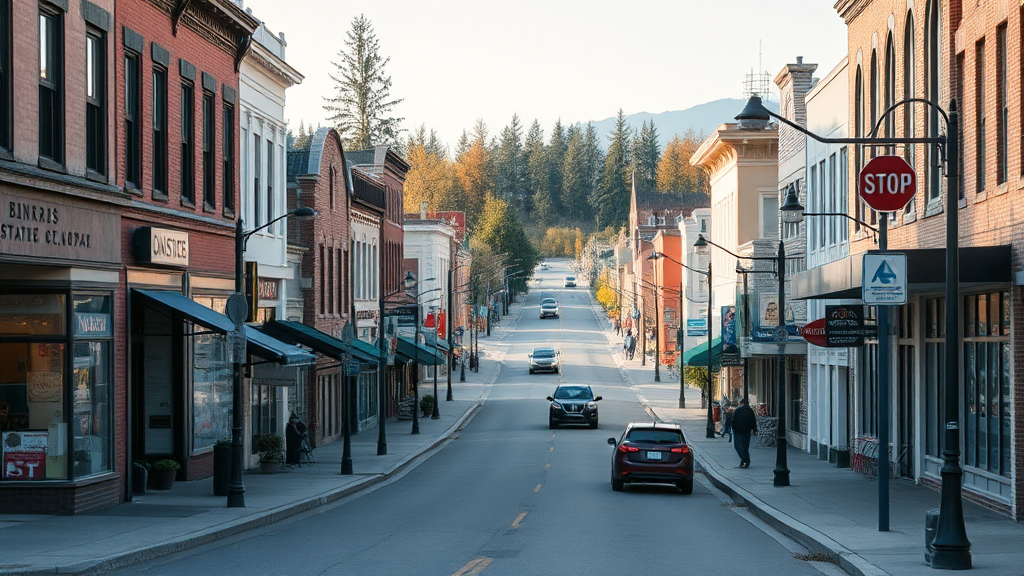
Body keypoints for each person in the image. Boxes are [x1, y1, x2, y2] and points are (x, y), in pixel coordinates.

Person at [731, 398, 757, 468]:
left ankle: (745, 460)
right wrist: (754, 429)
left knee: (739, 446)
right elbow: (753, 421)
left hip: (739, 431)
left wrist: (733, 428)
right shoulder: (749, 411)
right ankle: (745, 460)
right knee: (744, 447)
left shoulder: (740, 411)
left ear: (742, 403)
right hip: (745, 431)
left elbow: (734, 420)